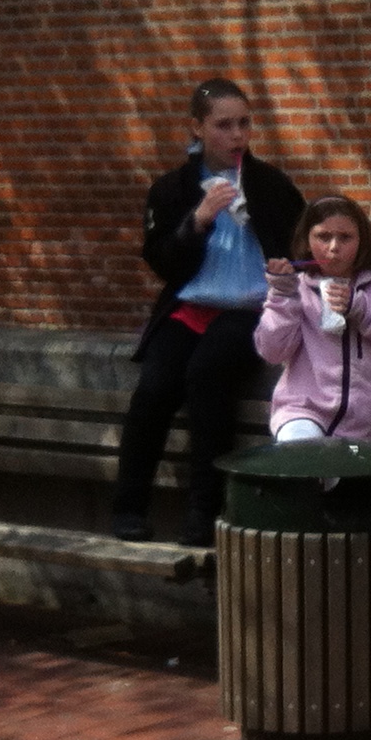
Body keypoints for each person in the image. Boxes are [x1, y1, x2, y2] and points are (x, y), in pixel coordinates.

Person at [111, 78, 306, 543]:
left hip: (250, 310)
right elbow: (160, 261)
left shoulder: (271, 184)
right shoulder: (172, 189)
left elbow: (303, 250)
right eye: (223, 125)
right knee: (154, 388)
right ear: (197, 128)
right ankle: (128, 509)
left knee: (206, 376)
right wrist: (196, 222)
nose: (237, 135)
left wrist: (287, 269)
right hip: (191, 306)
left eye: (244, 123)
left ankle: (204, 515)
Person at [255, 196, 371, 443]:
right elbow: (272, 352)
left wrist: (363, 310)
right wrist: (283, 297)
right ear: (306, 240)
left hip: (363, 425)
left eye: (345, 238)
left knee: (342, 475)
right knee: (303, 453)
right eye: (323, 237)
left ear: (362, 240)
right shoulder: (299, 289)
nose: (334, 247)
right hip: (301, 412)